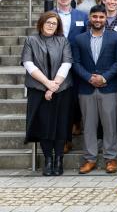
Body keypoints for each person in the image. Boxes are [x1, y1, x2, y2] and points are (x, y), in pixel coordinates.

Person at [72, 5, 117, 174]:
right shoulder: (79, 39)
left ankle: (111, 158)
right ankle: (90, 158)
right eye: (95, 17)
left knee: (110, 125)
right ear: (90, 18)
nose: (98, 20)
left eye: (101, 17)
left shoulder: (115, 38)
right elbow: (76, 63)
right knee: (88, 124)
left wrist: (104, 77)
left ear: (105, 19)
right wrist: (89, 78)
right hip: (86, 88)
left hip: (109, 87)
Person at [22, 12, 73, 176]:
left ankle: (59, 159)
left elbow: (66, 63)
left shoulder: (63, 41)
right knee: (44, 125)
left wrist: (54, 86)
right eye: (48, 22)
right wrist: (47, 84)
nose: (51, 25)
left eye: (54, 23)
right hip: (38, 90)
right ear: (41, 23)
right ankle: (48, 160)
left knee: (60, 125)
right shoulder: (31, 40)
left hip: (62, 90)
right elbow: (29, 65)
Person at [53, 0, 88, 152]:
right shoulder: (49, 16)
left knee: (76, 97)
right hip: (56, 65)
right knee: (62, 102)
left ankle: (76, 121)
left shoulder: (81, 16)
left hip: (78, 62)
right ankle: (65, 139)